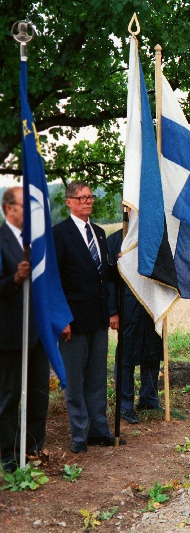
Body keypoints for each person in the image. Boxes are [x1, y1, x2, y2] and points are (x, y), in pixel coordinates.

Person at [53, 181, 122, 452]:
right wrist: (61, 318)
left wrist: (120, 265)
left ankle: (98, 429)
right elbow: (54, 280)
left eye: (90, 197)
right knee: (75, 379)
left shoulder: (99, 233)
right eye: (81, 198)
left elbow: (103, 275)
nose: (87, 202)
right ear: (69, 202)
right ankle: (79, 434)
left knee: (96, 377)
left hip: (98, 317)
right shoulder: (58, 234)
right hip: (72, 321)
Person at [0, 187, 51, 471]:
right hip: (9, 334)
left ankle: (31, 449)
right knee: (9, 396)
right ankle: (7, 455)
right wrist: (14, 279)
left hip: (38, 332)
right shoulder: (1, 239)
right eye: (24, 206)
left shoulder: (36, 241)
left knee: (38, 394)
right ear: (9, 209)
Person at [107, 229, 163, 424]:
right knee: (126, 356)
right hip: (127, 306)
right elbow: (110, 279)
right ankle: (125, 405)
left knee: (152, 351)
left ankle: (149, 399)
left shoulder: (154, 235)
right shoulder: (116, 240)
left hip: (151, 304)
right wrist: (113, 311)